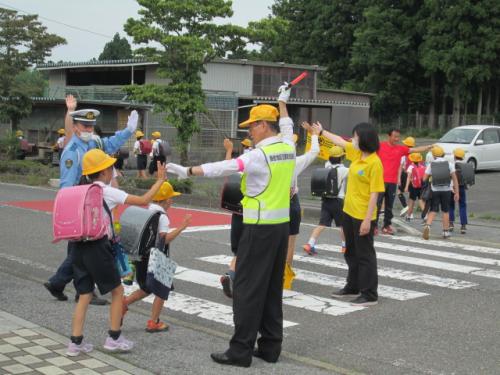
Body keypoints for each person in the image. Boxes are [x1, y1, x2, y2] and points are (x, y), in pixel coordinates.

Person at [167, 84, 295, 368]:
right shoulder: (288, 145)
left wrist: (186, 170)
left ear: (264, 125)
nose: (248, 130)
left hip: (258, 228)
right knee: (272, 289)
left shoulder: (258, 155)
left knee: (247, 290)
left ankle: (240, 351)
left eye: (252, 125)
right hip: (279, 230)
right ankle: (271, 347)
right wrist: (283, 101)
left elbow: (223, 168)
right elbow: (287, 124)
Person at [66, 149, 166, 356]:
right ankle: (114, 338)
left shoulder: (79, 189)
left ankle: (75, 343)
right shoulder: (105, 190)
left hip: (76, 246)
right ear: (103, 172)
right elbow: (143, 200)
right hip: (97, 247)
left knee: (84, 294)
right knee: (118, 291)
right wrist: (159, 181)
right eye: (110, 167)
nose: (113, 170)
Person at [44, 106, 138, 305]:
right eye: (84, 125)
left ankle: (59, 283)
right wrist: (73, 215)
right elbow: (67, 188)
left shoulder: (94, 141)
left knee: (81, 249)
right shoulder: (71, 152)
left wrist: (129, 130)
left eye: (91, 126)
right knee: (86, 247)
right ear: (75, 127)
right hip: (81, 207)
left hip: (94, 204)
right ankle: (82, 291)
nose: (88, 129)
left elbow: (109, 144)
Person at [316, 121, 385, 306]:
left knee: (365, 255)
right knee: (350, 252)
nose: (352, 139)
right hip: (348, 211)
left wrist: (368, 220)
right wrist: (321, 132)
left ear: (364, 139)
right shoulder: (357, 154)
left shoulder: (374, 163)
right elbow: (339, 140)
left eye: (355, 136)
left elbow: (375, 193)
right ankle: (353, 286)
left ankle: (370, 294)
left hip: (363, 215)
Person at [123, 181, 191, 332]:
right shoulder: (162, 216)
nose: (172, 200)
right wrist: (182, 226)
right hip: (156, 257)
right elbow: (164, 239)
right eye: (171, 197)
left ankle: (124, 303)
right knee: (162, 288)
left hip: (141, 256)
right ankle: (153, 322)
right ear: (166, 200)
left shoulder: (148, 210)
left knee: (146, 288)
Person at [284, 124, 320, 289]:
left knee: (269, 242)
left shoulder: (270, 160)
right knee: (290, 243)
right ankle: (284, 277)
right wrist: (313, 135)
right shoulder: (294, 162)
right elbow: (314, 153)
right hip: (291, 202)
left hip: (272, 204)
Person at [376, 129, 432, 235]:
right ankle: (373, 226)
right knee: (377, 204)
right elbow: (367, 148)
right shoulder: (380, 146)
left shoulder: (400, 149)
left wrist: (427, 147)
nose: (397, 139)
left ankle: (386, 226)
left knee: (389, 205)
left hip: (392, 182)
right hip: (380, 180)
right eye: (395, 136)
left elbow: (414, 150)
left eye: (398, 137)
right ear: (389, 136)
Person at [303, 145, 349, 255]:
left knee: (322, 224)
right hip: (338, 201)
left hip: (326, 200)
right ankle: (345, 246)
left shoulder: (326, 166)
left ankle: (310, 244)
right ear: (341, 158)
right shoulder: (343, 170)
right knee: (342, 225)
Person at [422, 146, 459, 240]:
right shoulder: (449, 164)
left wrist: (431, 176)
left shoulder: (431, 165)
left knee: (433, 209)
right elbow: (455, 179)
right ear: (443, 154)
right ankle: (445, 232)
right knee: (445, 211)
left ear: (434, 156)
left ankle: (428, 226)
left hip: (435, 190)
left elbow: (424, 179)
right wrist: (457, 193)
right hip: (446, 190)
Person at [449, 148, 468, 234]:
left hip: (453, 187)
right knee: (462, 205)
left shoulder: (452, 165)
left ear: (454, 156)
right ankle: (463, 226)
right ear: (462, 157)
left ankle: (451, 224)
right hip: (462, 187)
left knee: (451, 205)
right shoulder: (465, 166)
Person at [404, 153, 426, 221]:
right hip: (421, 186)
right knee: (421, 201)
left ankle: (408, 216)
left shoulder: (411, 167)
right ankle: (425, 216)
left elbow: (408, 177)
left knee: (411, 202)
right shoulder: (423, 166)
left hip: (413, 186)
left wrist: (406, 187)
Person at [397, 136, 415, 217]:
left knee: (399, 192)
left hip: (405, 174)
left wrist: (399, 178)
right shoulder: (415, 154)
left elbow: (400, 168)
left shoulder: (404, 155)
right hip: (413, 175)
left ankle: (405, 206)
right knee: (412, 195)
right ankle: (410, 213)